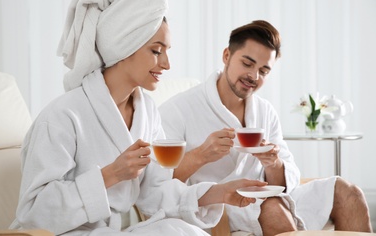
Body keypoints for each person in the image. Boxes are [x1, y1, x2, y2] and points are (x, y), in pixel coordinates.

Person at [9, 0, 267, 235]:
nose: (166, 64)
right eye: (156, 51)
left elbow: (154, 192)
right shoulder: (62, 116)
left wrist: (219, 192)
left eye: (167, 51)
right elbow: (34, 214)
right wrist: (111, 174)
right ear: (124, 46)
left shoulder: (147, 112)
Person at [159, 20, 373, 236]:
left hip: (266, 196)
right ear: (226, 56)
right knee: (272, 208)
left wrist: (273, 163)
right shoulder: (178, 109)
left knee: (348, 193)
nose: (254, 76)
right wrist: (201, 155)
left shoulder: (264, 110)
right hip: (218, 206)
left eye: (264, 71)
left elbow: (283, 180)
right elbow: (158, 183)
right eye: (247, 64)